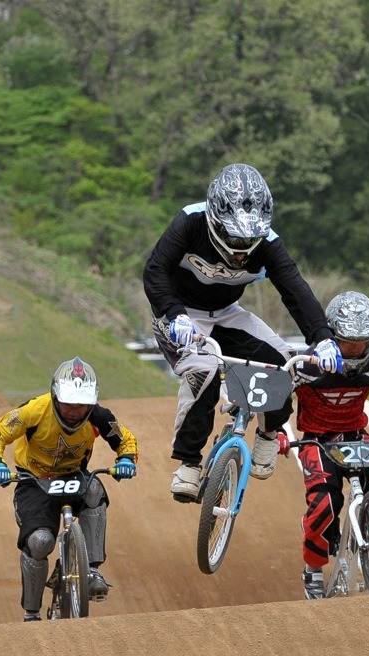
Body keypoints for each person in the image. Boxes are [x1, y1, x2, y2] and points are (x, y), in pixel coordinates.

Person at [143, 162, 343, 501]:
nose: (240, 248)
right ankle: (189, 464)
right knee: (203, 372)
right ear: (215, 220)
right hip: (181, 317)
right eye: (235, 236)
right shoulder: (190, 221)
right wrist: (173, 313)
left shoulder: (268, 243)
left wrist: (322, 337)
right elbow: (155, 270)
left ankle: (268, 433)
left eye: (250, 238)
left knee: (284, 362)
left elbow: (295, 289)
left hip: (227, 314)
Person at [0, 357, 139, 622]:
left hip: (74, 476)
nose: (75, 410)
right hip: (34, 481)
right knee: (40, 542)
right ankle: (32, 612)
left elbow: (125, 439)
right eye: (68, 403)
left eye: (82, 404)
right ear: (55, 395)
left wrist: (125, 460)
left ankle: (92, 570)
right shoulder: (34, 410)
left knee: (95, 491)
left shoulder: (99, 416)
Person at [287, 291, 369, 600]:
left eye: (362, 342)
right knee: (323, 505)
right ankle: (313, 569)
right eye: (348, 342)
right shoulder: (306, 364)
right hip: (315, 440)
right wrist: (274, 432)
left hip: (356, 435)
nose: (355, 349)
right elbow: (278, 397)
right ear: (332, 336)